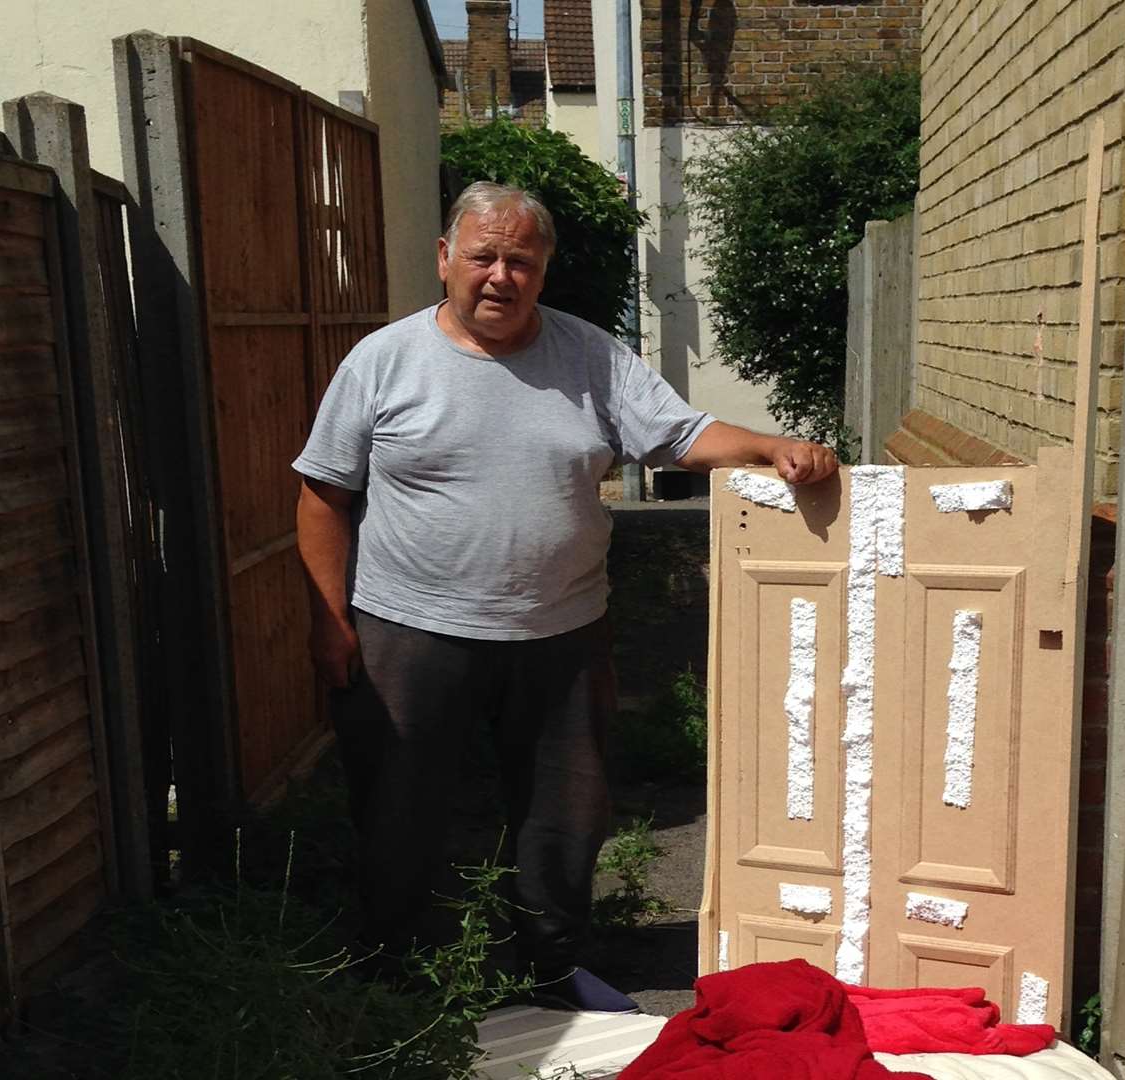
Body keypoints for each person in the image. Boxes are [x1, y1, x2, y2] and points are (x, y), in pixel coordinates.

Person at [292, 181, 838, 1012]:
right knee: (399, 808)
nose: (500, 276)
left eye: (522, 260)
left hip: (561, 634)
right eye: (483, 257)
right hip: (409, 629)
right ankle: (395, 970)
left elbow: (680, 435)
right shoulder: (383, 360)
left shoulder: (591, 356)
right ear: (445, 260)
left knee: (565, 816)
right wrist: (329, 621)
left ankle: (546, 971)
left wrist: (769, 445)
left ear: (543, 270)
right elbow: (324, 493)